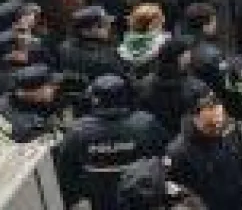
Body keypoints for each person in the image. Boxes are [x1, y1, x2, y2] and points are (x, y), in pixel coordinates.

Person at [57, 75, 170, 210]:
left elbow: (65, 173)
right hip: (141, 202)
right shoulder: (146, 124)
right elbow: (166, 157)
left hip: (97, 203)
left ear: (94, 100)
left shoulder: (77, 131)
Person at [167, 93, 242, 210]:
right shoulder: (178, 152)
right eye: (210, 126)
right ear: (195, 119)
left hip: (238, 202)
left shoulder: (231, 129)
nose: (217, 130)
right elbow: (175, 188)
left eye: (220, 123)